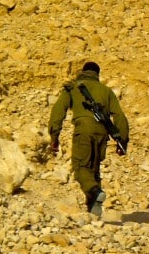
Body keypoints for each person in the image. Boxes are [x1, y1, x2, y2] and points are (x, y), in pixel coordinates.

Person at [48, 61, 129, 218]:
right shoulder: (106, 91)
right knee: (93, 169)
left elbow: (58, 111)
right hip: (102, 133)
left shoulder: (72, 87)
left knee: (80, 168)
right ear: (97, 75)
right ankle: (93, 211)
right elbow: (119, 115)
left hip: (83, 131)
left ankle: (94, 191)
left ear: (83, 71)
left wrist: (54, 136)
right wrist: (122, 141)